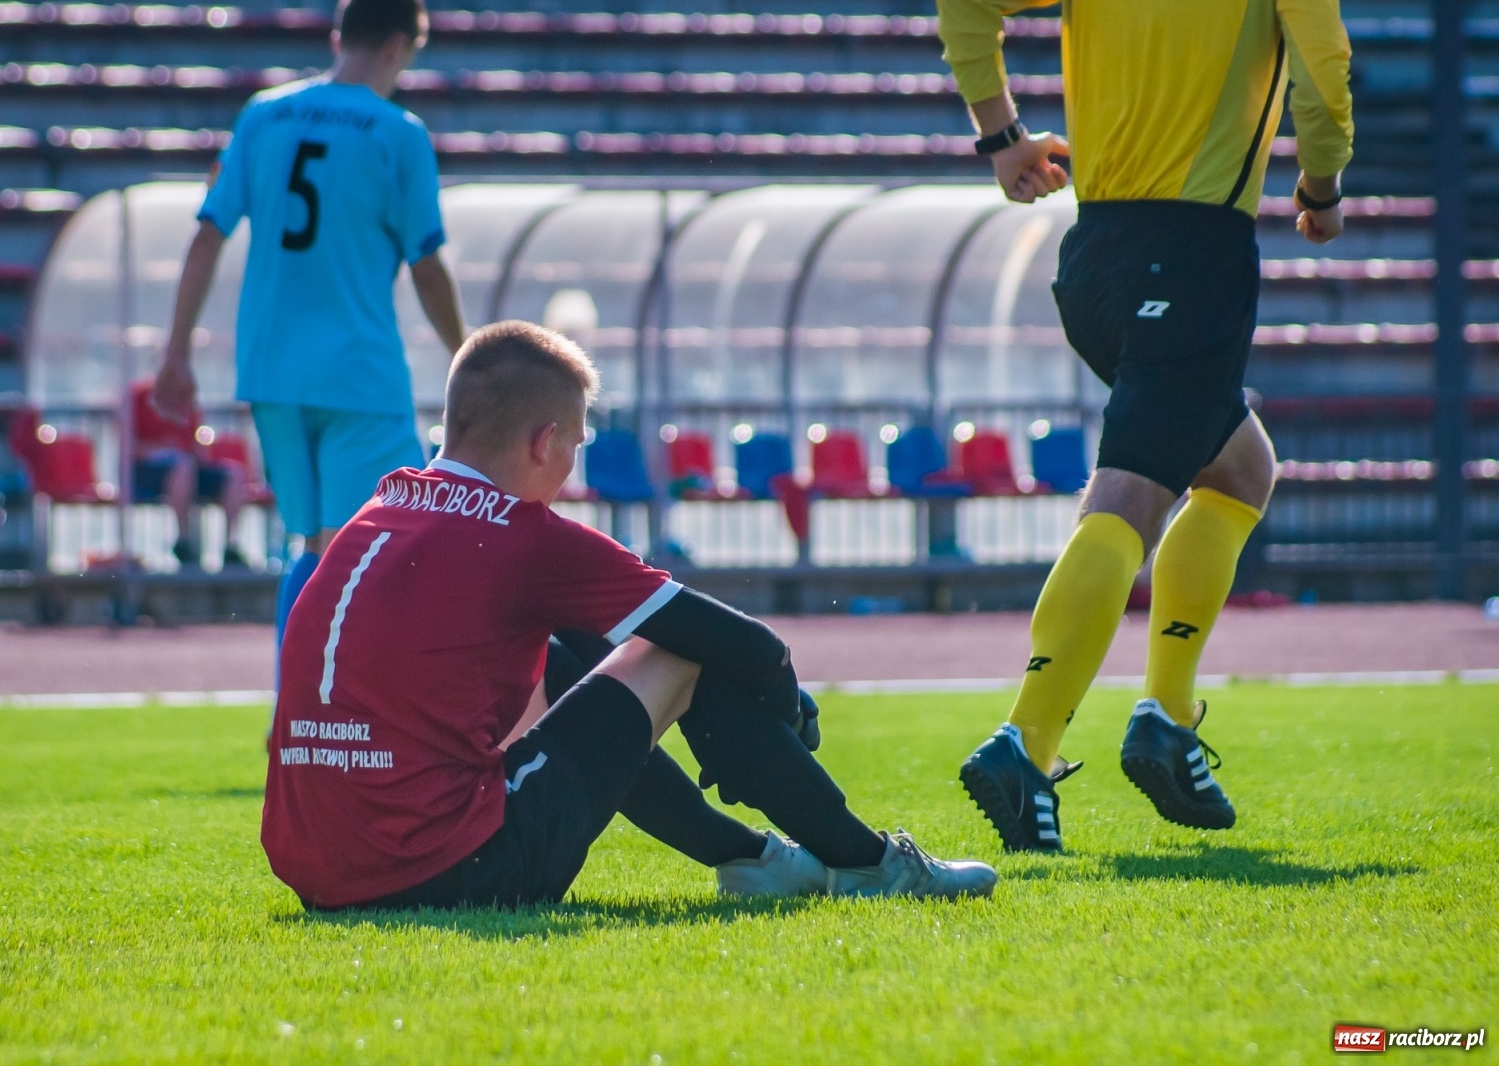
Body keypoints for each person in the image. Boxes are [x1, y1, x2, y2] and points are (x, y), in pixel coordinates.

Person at [261, 321, 998, 909]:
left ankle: (752, 859)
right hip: (447, 871)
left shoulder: (379, 510)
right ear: (545, 441)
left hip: (318, 870)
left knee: (563, 653)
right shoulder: (521, 535)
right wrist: (787, 710)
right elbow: (750, 646)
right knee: (674, 652)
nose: (573, 464)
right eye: (575, 444)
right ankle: (867, 862)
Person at [937, 0, 1353, 849]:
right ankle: (1026, 743)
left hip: (1094, 259)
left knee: (1240, 471)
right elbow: (1324, 73)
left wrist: (1003, 137)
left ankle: (1165, 716)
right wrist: (1322, 184)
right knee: (1129, 493)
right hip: (1194, 252)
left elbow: (965, 2)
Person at [152, 0, 467, 649]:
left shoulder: (264, 114)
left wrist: (176, 352)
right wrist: (469, 355)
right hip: (358, 373)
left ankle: (292, 712)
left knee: (314, 544)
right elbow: (427, 264)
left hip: (272, 371)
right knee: (403, 535)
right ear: (400, 48)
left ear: (338, 38)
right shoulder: (398, 131)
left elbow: (208, 235)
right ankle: (363, 711)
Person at [128, 378, 250, 570]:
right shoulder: (137, 396)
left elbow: (197, 443)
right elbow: (128, 447)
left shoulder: (186, 398)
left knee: (234, 473)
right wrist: (162, 448)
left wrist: (199, 452)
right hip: (149, 471)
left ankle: (231, 545)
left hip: (188, 467)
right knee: (183, 468)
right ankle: (184, 541)